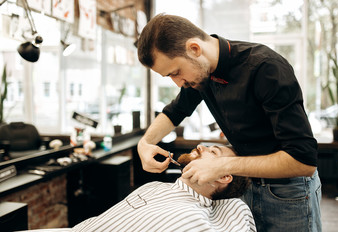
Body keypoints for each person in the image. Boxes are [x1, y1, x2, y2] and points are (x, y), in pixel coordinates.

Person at [136, 13, 322, 232]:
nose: (179, 83)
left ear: (194, 49)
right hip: (243, 186)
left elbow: (303, 161)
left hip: (287, 192)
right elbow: (175, 111)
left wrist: (222, 165)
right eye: (170, 77)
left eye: (176, 73)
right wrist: (145, 143)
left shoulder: (265, 68)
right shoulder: (199, 77)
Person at [24, 144, 256, 232]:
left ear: (224, 176)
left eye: (213, 152)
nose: (200, 146)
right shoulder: (154, 186)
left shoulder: (193, 219)